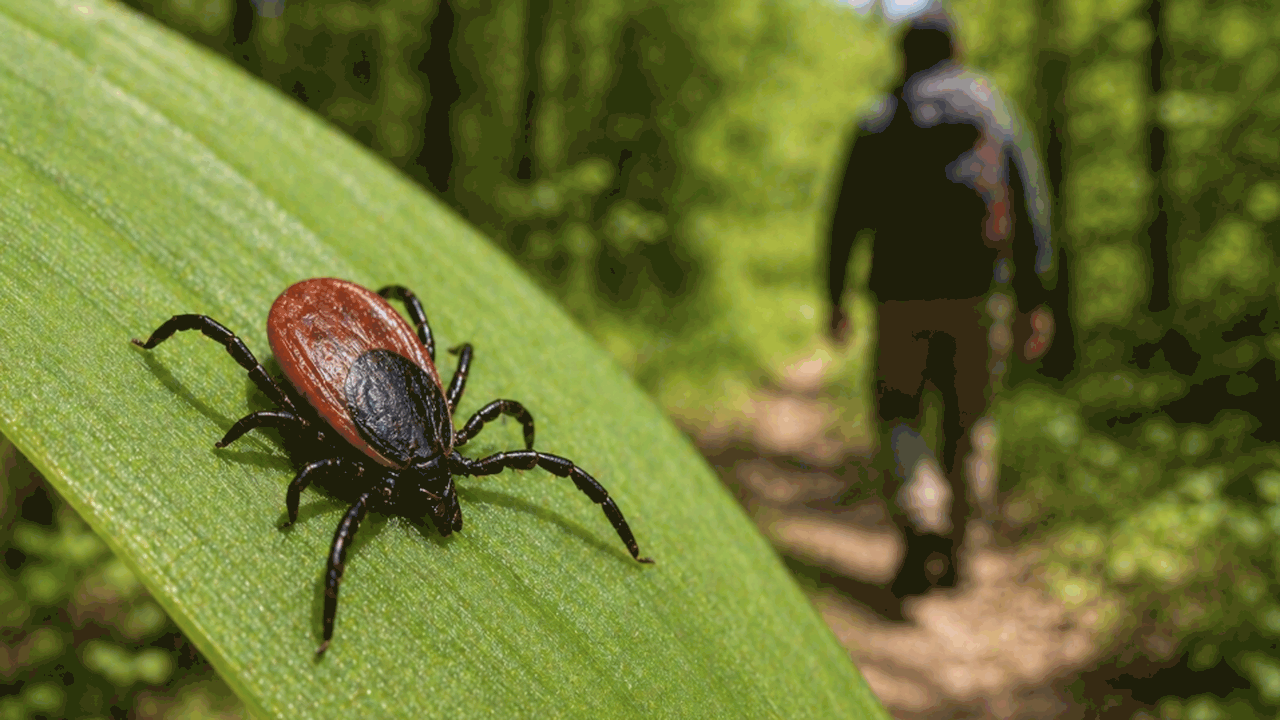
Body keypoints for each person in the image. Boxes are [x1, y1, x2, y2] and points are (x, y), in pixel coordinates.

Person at [826, 4, 1057, 599]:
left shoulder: (883, 116)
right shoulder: (992, 109)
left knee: (898, 411)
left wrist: (835, 296)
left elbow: (846, 212)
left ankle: (920, 515)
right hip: (980, 293)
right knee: (970, 421)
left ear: (904, 54)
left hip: (900, 296)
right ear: (957, 50)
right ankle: (959, 554)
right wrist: (1034, 298)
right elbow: (1029, 203)